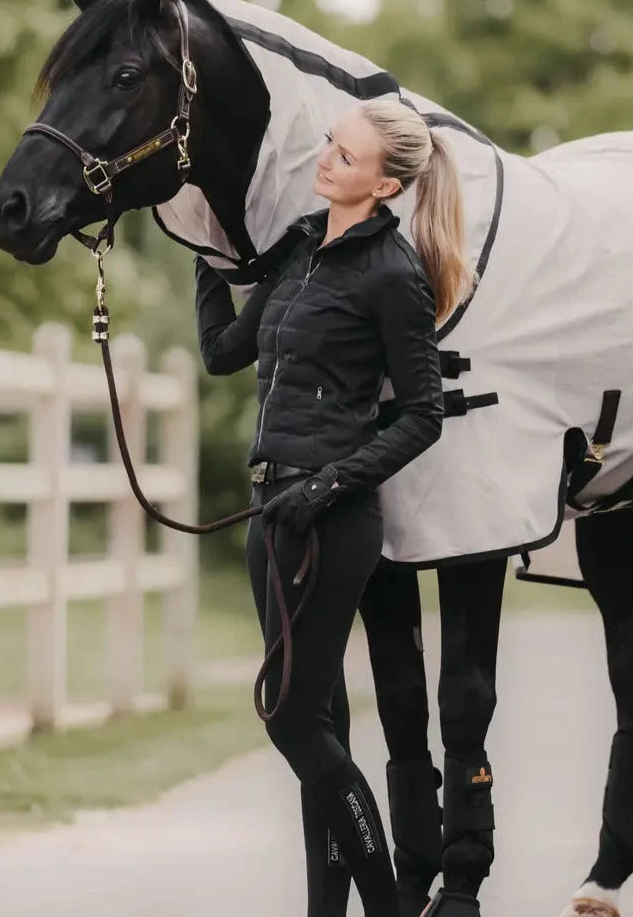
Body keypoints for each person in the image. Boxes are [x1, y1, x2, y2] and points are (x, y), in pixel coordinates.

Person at [193, 98, 473, 917]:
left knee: (290, 720)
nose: (326, 160)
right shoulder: (300, 249)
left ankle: (385, 907)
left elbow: (422, 413)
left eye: (346, 157)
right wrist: (204, 260)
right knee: (317, 724)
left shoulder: (393, 273)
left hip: (328, 517)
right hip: (269, 508)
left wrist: (328, 484)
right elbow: (223, 351)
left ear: (384, 186)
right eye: (329, 145)